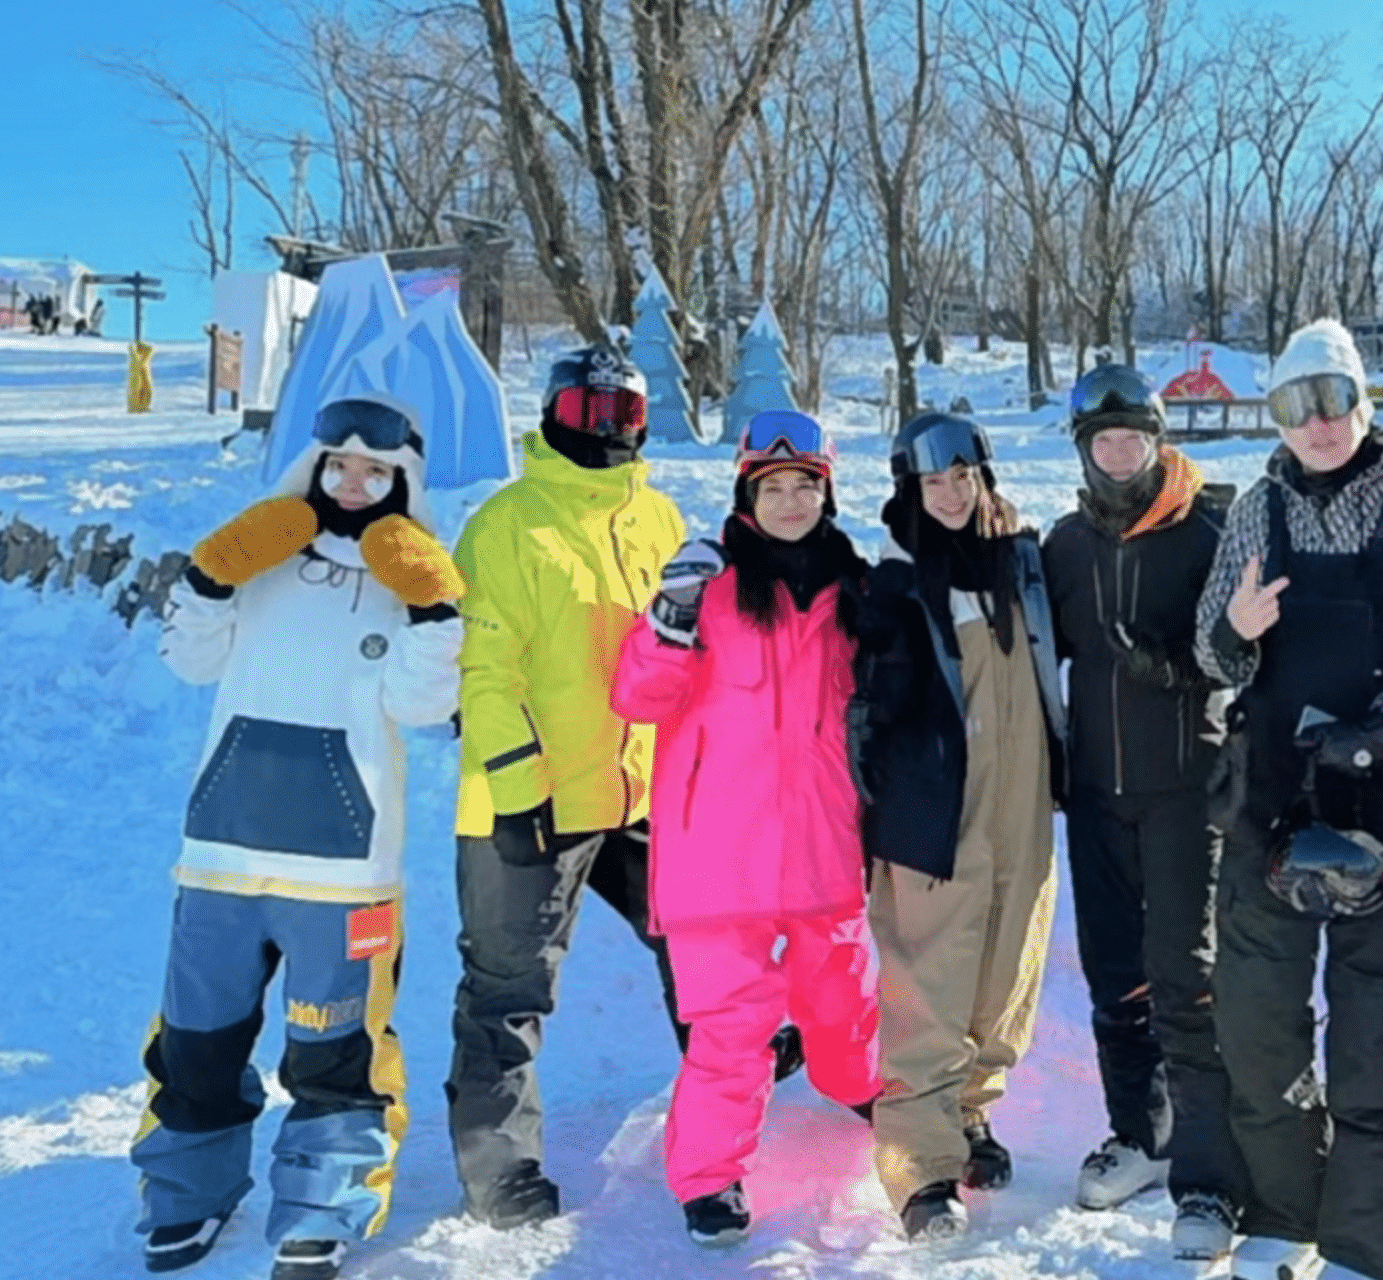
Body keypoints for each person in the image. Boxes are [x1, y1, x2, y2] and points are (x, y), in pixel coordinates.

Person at [133, 393, 463, 1280]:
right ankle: (187, 1190)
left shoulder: (405, 575)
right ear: (311, 466)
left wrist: (435, 616)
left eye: (375, 472)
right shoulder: (263, 557)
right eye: (338, 466)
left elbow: (422, 706)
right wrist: (209, 581)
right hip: (223, 853)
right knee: (197, 1038)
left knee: (336, 1051)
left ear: (402, 482)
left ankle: (325, 1203)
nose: (353, 484)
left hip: (346, 869)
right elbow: (189, 661)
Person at [1192, 318, 1383, 1280]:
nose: (1318, 423)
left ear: (1362, 401)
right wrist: (1237, 627)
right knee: (1257, 1027)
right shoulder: (1257, 511)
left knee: (1372, 1045)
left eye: (1334, 399)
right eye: (1296, 405)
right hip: (1271, 799)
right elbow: (1212, 653)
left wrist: (1382, 733)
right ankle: (1284, 1212)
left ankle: (1362, 1245)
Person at [608, 409, 881, 1247]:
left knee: (843, 999)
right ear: (746, 496)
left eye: (806, 486)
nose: (792, 501)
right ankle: (710, 1178)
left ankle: (855, 1086)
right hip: (717, 854)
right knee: (732, 1026)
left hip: (823, 840)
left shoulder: (854, 590)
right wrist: (669, 618)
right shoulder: (708, 585)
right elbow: (636, 698)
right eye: (774, 487)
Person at [444, 344, 687, 1228]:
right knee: (508, 988)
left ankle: (729, 1086)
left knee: (699, 941)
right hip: (532, 802)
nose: (609, 429)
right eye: (592, 411)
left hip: (639, 792)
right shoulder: (507, 525)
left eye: (626, 413)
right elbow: (483, 670)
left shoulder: (657, 517)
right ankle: (499, 1166)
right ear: (554, 415)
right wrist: (516, 788)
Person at [1041, 364, 1248, 1261]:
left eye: (1135, 440)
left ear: (1159, 444)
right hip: (1095, 792)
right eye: (1106, 442)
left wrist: (1175, 664)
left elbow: (1246, 650)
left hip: (1183, 790)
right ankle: (1141, 1134)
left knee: (1184, 977)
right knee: (1113, 975)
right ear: (1085, 451)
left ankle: (1208, 1173)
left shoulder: (1207, 532)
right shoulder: (1063, 545)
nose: (1121, 455)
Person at [850, 412, 1067, 1241]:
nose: (949, 494)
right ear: (908, 490)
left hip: (1021, 803)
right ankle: (920, 1167)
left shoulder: (1019, 564)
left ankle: (971, 1113)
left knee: (1007, 974)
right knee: (929, 986)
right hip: (934, 813)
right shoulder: (894, 580)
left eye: (962, 477)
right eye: (931, 482)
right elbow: (865, 712)